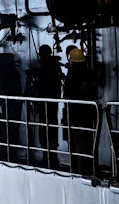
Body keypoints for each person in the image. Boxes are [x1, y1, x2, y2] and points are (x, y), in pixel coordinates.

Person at [63, 48, 99, 176]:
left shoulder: (72, 75)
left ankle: (79, 170)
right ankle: (88, 168)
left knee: (77, 144)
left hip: (75, 115)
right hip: (89, 115)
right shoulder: (89, 73)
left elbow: (67, 95)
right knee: (88, 143)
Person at [31, 44, 63, 167]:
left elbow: (41, 86)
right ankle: (52, 158)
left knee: (45, 132)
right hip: (53, 103)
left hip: (45, 103)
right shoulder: (55, 66)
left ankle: (48, 159)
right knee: (52, 130)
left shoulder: (45, 68)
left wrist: (35, 80)